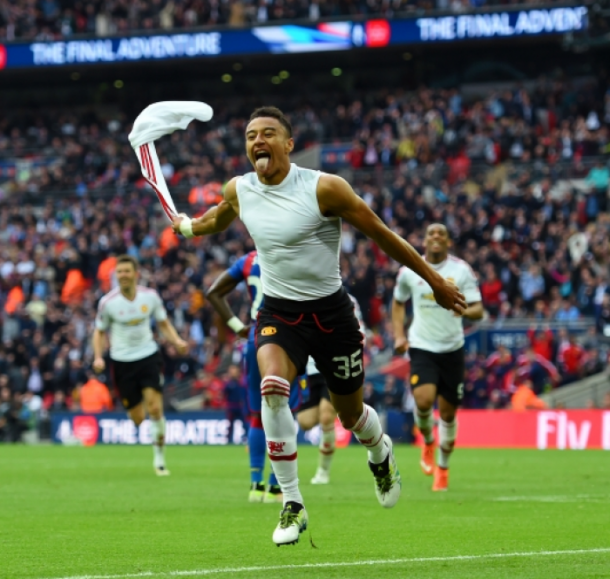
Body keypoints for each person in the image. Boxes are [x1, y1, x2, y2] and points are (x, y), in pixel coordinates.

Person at [172, 106, 465, 546]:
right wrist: (189, 227)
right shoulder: (240, 188)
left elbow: (383, 234)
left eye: (269, 133)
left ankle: (380, 452)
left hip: (331, 315)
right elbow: (218, 216)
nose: (258, 141)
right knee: (273, 387)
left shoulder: (324, 188)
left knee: (350, 415)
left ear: (289, 144)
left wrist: (436, 280)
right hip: (277, 313)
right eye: (252, 135)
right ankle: (293, 503)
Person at [206, 250, 303, 504]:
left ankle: (255, 485)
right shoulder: (294, 253)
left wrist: (239, 327)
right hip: (286, 338)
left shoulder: (248, 260)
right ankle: (276, 487)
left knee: (258, 414)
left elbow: (213, 293)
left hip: (255, 337)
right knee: (285, 411)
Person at [392, 223, 482, 492]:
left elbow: (478, 310)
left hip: (452, 348)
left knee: (447, 413)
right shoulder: (410, 269)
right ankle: (428, 441)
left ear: (448, 242)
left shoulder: (461, 270)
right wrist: (398, 335)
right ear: (424, 239)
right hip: (422, 346)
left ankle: (443, 468)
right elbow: (397, 302)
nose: (436, 237)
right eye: (431, 233)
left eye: (441, 234)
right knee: (423, 399)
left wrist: (461, 309)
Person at [92, 255, 188, 476]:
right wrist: (98, 356)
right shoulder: (108, 303)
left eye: (127, 271)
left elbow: (163, 323)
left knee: (155, 408)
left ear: (136, 274)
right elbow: (99, 331)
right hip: (122, 362)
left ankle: (160, 460)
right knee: (137, 418)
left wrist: (177, 341)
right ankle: (140, 415)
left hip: (148, 356)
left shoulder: (150, 297)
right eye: (120, 272)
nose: (123, 275)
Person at [297, 293, 365, 486]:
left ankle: (323, 471)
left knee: (326, 417)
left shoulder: (348, 300)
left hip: (333, 365)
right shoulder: (300, 296)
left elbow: (359, 329)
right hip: (309, 369)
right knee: (305, 421)